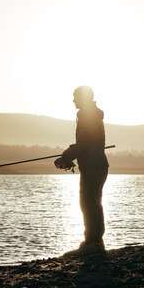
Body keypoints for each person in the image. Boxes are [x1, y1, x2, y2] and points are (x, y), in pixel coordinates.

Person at [55, 85, 109, 255]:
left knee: (87, 203)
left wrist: (66, 156)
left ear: (83, 98)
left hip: (93, 166)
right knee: (95, 203)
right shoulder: (92, 114)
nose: (73, 100)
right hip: (98, 165)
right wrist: (72, 153)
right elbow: (87, 143)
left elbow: (84, 144)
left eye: (75, 97)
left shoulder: (87, 116)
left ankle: (91, 243)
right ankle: (96, 242)